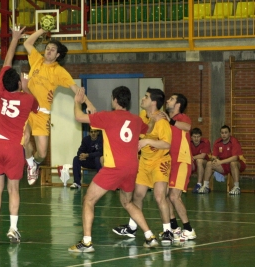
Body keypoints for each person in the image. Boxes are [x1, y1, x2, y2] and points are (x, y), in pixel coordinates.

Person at [69, 86, 158, 253]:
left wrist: (77, 102)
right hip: (132, 167)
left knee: (89, 200)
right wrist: (153, 118)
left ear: (115, 100)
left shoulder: (107, 117)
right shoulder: (136, 120)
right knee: (127, 202)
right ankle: (150, 236)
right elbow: (150, 129)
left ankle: (87, 242)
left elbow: (78, 116)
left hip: (114, 167)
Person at [22, 28, 96, 186]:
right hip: (26, 109)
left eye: (52, 50)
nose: (48, 51)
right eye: (47, 48)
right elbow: (27, 42)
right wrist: (42, 30)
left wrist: (88, 103)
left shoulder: (59, 72)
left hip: (42, 114)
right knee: (25, 138)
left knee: (42, 152)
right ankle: (30, 165)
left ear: (57, 55)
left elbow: (76, 89)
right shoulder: (36, 59)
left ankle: (34, 162)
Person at [0, 26, 39, 243]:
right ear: (18, 83)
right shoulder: (27, 99)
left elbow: (7, 61)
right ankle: (13, 229)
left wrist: (14, 39)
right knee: (13, 189)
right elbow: (36, 108)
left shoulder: (0, 91)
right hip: (13, 148)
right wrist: (26, 88)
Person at [112, 88, 174, 245]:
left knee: (160, 196)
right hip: (145, 162)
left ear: (153, 102)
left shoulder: (162, 121)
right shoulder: (142, 116)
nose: (142, 99)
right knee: (137, 196)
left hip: (160, 161)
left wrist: (147, 141)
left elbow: (166, 144)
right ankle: (132, 227)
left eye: (146, 97)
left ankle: (168, 231)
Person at [157, 94, 196, 241]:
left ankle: (189, 230)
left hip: (181, 161)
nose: (167, 101)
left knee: (174, 196)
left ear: (178, 104)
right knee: (163, 195)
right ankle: (173, 227)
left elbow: (187, 127)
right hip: (168, 161)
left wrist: (170, 121)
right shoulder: (167, 121)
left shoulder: (182, 117)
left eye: (171, 99)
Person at [198, 125, 246, 195]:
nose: (224, 134)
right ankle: (205, 186)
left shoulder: (234, 141)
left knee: (233, 163)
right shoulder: (217, 142)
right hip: (224, 165)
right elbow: (214, 156)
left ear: (229, 133)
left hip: (238, 164)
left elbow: (235, 158)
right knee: (209, 163)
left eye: (226, 132)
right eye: (222, 133)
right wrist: (215, 160)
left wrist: (221, 162)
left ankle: (236, 187)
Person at [190, 128, 211, 193]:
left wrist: (192, 158)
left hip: (205, 163)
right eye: (194, 137)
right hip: (192, 162)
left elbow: (202, 156)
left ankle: (199, 184)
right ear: (191, 137)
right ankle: (182, 185)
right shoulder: (188, 143)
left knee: (199, 160)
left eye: (198, 137)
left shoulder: (205, 142)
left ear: (201, 137)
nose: (196, 139)